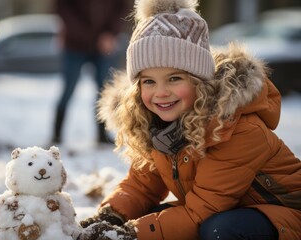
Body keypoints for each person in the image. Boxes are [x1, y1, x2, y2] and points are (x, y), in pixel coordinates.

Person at [77, 0, 301, 239]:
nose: (161, 92)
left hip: (284, 215)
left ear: (200, 82)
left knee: (217, 230)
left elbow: (203, 211)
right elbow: (142, 185)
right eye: (149, 81)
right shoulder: (160, 126)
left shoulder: (235, 128)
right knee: (149, 218)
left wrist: (131, 234)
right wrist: (110, 216)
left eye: (174, 78)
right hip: (225, 210)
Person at [52, 0, 132, 144]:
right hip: (74, 45)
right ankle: (56, 135)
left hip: (103, 47)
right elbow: (63, 8)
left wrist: (111, 34)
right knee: (68, 89)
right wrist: (90, 36)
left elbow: (121, 8)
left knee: (104, 90)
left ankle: (102, 135)